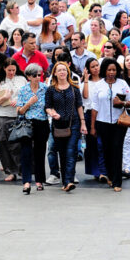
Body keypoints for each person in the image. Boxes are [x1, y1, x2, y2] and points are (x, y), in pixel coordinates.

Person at [89, 58, 130, 192]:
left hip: (119, 123)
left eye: (114, 70)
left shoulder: (123, 84)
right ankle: (111, 175)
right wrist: (92, 126)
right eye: (109, 70)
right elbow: (94, 107)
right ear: (104, 70)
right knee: (106, 150)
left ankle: (117, 181)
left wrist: (122, 103)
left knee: (117, 148)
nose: (111, 72)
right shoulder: (99, 85)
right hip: (102, 122)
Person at [45, 60, 86, 191]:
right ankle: (65, 181)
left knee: (71, 151)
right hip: (58, 125)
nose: (62, 72)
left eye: (64, 70)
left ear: (67, 72)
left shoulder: (74, 88)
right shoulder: (51, 90)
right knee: (62, 153)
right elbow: (48, 106)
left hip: (73, 123)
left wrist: (83, 123)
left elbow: (79, 106)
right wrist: (52, 113)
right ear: (55, 74)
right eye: (59, 70)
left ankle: (69, 180)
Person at [0, 56, 26, 183]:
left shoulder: (21, 79)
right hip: (2, 115)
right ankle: (10, 171)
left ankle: (20, 169)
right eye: (9, 70)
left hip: (17, 115)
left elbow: (27, 95)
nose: (11, 73)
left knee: (16, 144)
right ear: (4, 69)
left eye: (13, 70)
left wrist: (19, 100)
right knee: (2, 142)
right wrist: (4, 98)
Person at [15, 63, 48, 192]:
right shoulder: (23, 90)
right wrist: (29, 103)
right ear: (28, 76)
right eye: (34, 75)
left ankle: (39, 181)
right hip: (27, 123)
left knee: (40, 153)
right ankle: (27, 181)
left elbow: (49, 106)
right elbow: (20, 111)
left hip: (42, 122)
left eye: (39, 75)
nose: (37, 77)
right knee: (26, 153)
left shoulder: (45, 88)